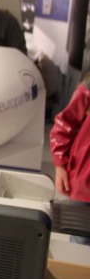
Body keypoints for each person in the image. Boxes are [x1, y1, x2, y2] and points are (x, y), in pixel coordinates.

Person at [50, 72, 90, 245]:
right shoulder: (87, 89)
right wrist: (60, 166)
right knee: (80, 242)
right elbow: (63, 125)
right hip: (84, 185)